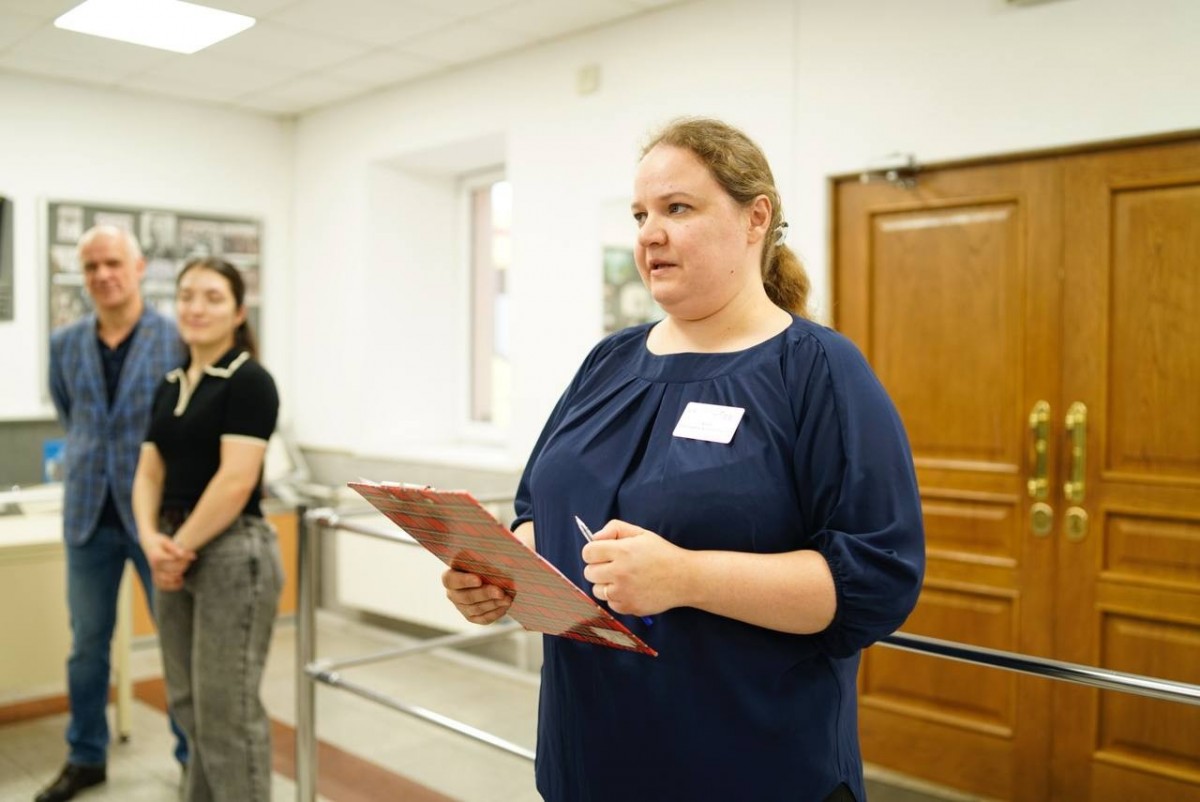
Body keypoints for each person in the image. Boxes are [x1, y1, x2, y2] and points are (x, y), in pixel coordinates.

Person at [443, 118, 926, 802]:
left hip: (747, 765)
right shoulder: (609, 363)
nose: (649, 234)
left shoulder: (816, 370)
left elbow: (875, 582)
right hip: (590, 757)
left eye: (677, 208)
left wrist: (688, 577)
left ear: (755, 218)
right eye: (641, 214)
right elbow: (538, 513)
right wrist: (503, 573)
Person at [41, 225, 187, 802]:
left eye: (113, 263)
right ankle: (86, 756)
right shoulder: (64, 343)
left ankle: (191, 758)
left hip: (157, 520)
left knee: (177, 645)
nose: (103, 275)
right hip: (87, 516)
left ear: (139, 267)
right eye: (91, 266)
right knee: (87, 646)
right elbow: (71, 413)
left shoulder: (175, 337)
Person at [132, 257, 282, 802]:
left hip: (231, 553)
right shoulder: (170, 383)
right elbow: (149, 472)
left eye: (213, 297)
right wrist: (150, 540)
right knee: (189, 706)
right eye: (187, 295)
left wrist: (175, 548)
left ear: (239, 312)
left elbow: (236, 481)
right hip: (173, 546)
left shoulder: (249, 380)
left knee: (226, 715)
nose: (196, 307)